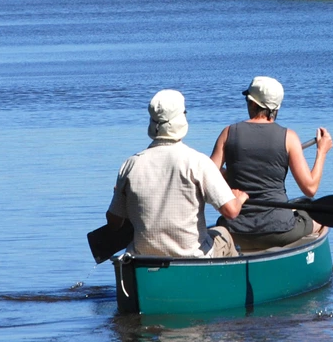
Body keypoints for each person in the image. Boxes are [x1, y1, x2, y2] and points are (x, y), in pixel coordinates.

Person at [106, 89, 249, 258]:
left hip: (142, 258)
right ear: (181, 120)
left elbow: (114, 223)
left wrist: (121, 197)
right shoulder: (198, 162)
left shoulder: (130, 165)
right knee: (223, 233)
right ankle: (230, 281)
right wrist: (239, 199)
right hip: (192, 258)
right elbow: (231, 212)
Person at [209, 76, 333, 251]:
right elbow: (310, 188)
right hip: (280, 229)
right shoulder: (289, 138)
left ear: (252, 104)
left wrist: (227, 175)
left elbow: (207, 176)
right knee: (320, 219)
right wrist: (321, 152)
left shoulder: (228, 133)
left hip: (235, 230)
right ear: (276, 108)